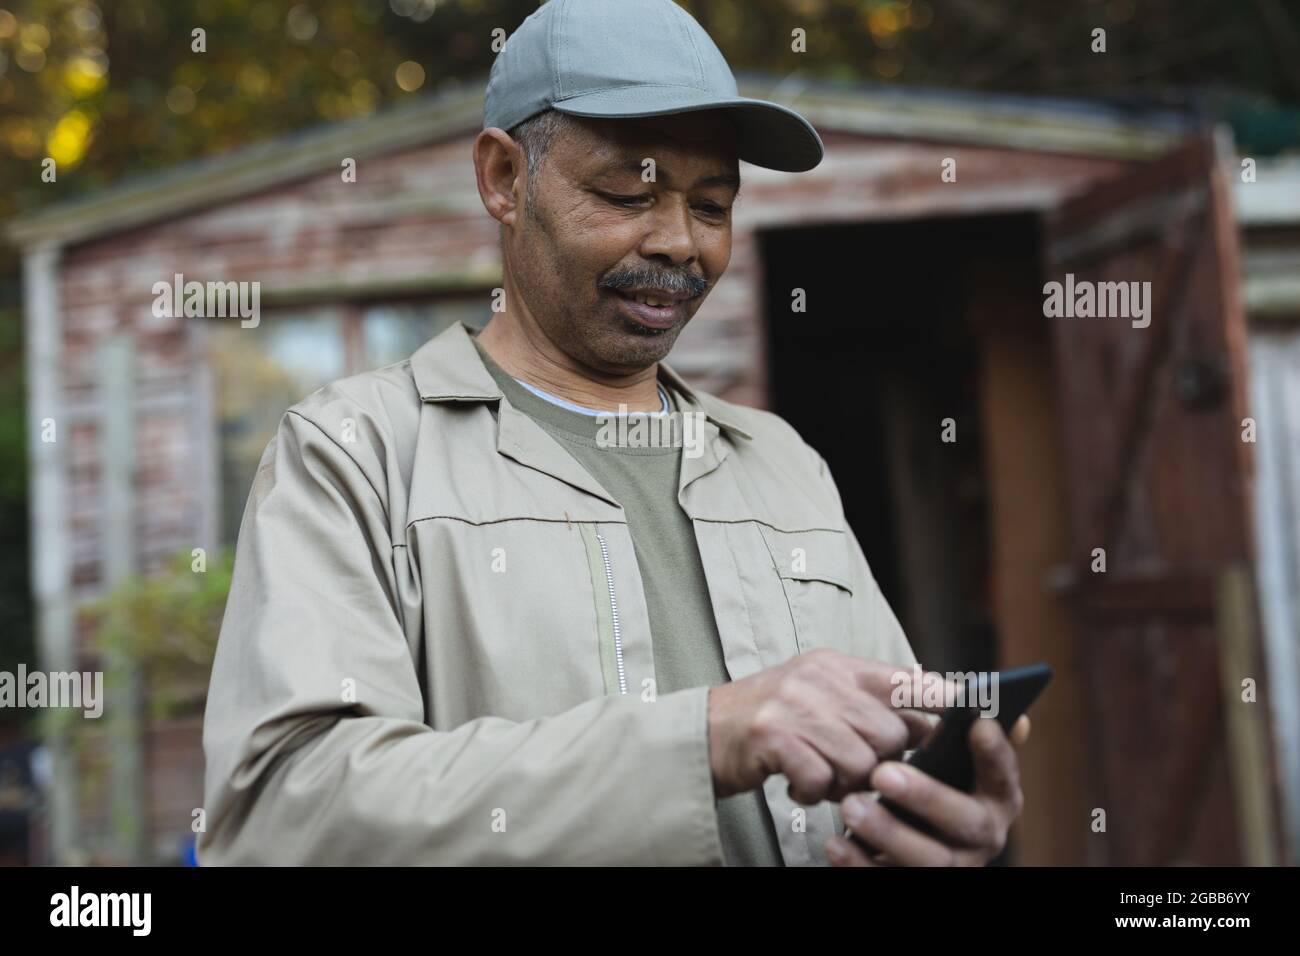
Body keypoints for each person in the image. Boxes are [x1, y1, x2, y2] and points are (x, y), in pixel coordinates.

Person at [199, 0, 1029, 866]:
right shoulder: (356, 456)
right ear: (503, 180)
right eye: (627, 191)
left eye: (712, 207)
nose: (678, 242)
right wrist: (705, 738)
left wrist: (933, 817)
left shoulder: (785, 466)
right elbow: (280, 816)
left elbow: (881, 756)